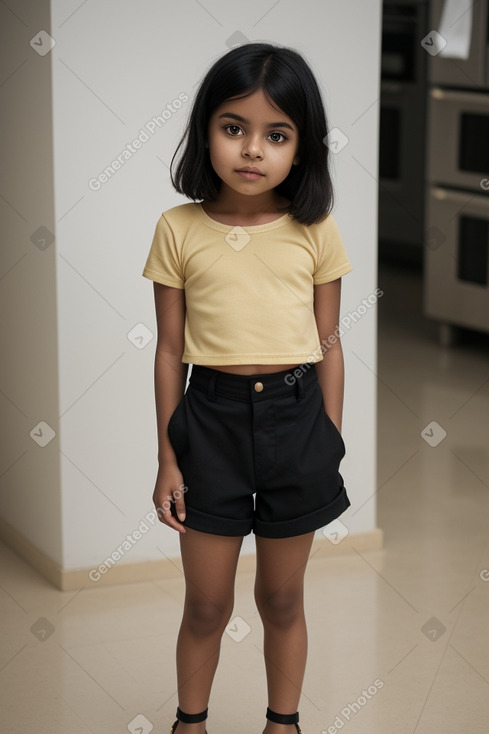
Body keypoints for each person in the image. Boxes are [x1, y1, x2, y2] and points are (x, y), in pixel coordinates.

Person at [142, 42, 353, 734]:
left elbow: (328, 344)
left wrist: (326, 436)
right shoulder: (178, 230)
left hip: (296, 421)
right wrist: (169, 457)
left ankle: (281, 723)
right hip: (210, 423)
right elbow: (170, 350)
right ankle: (189, 722)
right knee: (206, 604)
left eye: (277, 134)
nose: (252, 150)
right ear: (207, 130)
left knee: (282, 597)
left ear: (302, 147)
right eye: (234, 128)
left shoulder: (314, 229)